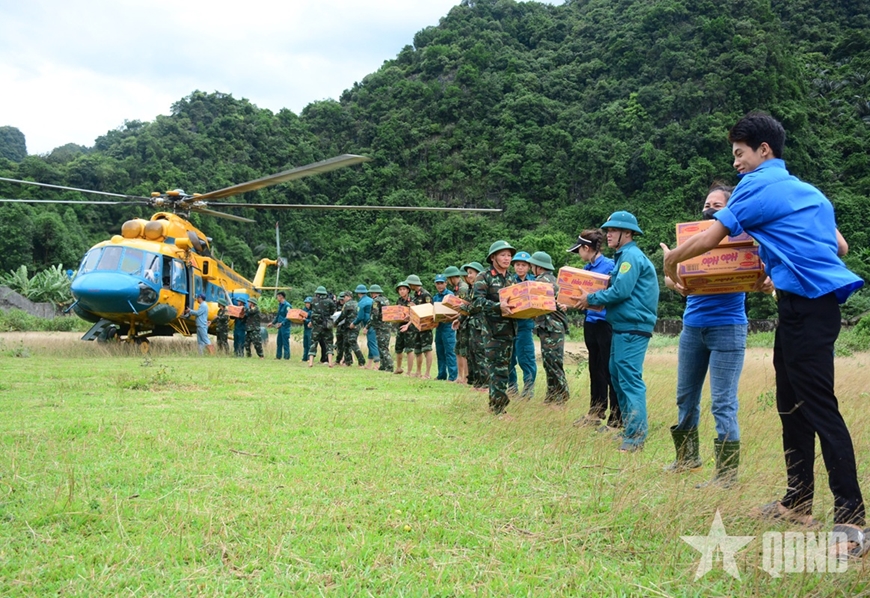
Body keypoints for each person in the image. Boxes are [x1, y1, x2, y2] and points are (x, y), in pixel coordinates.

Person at [663, 112, 866, 542]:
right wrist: (782, 258)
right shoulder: (808, 192)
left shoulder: (756, 186)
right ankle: (798, 501)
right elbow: (840, 246)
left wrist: (670, 260)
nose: (736, 163)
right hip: (807, 308)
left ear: (763, 151)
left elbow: (709, 238)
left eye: (740, 154)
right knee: (790, 404)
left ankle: (851, 519)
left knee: (819, 408)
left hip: (805, 308)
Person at [661, 184, 770, 486]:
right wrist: (676, 283)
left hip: (728, 327)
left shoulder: (745, 240)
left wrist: (763, 280)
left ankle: (726, 475)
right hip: (693, 326)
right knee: (685, 396)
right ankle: (686, 457)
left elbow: (760, 274)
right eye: (707, 203)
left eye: (717, 203)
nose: (710, 207)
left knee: (723, 402)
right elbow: (674, 278)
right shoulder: (692, 241)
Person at [574, 212, 659, 452]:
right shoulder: (622, 257)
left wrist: (589, 298)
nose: (608, 234)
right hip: (621, 325)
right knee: (616, 375)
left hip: (633, 326)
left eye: (613, 230)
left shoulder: (630, 257)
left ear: (628, 233)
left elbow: (620, 291)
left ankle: (636, 437)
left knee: (629, 379)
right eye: (608, 230)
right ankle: (625, 427)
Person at [567, 230, 621, 429]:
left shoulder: (610, 267)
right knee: (595, 368)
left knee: (609, 369)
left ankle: (616, 417)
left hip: (606, 323)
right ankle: (595, 410)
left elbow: (614, 293)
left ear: (586, 248)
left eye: (579, 250)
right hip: (590, 322)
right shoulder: (585, 269)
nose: (579, 254)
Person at [471, 241, 518, 415]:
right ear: (493, 257)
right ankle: (498, 410)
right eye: (503, 255)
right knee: (497, 371)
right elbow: (476, 302)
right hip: (492, 332)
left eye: (509, 255)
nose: (507, 258)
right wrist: (498, 306)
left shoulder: (511, 278)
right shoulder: (484, 277)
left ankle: (497, 407)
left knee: (504, 370)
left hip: (510, 331)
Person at [527, 252, 570, 404]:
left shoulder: (541, 281)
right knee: (551, 362)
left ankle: (561, 396)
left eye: (532, 266)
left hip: (551, 327)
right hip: (554, 328)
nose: (531, 268)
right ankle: (552, 397)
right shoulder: (554, 280)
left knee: (552, 363)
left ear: (538, 267)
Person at [507, 251, 537, 399]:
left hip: (525, 326)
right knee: (509, 359)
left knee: (527, 358)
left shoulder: (533, 282)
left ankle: (528, 391)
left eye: (524, 265)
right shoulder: (509, 281)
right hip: (509, 326)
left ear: (529, 267)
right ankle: (512, 388)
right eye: (518, 265)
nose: (520, 268)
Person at [401, 274, 434, 379]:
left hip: (425, 326)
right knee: (418, 350)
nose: (409, 286)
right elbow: (414, 311)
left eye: (410, 284)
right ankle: (418, 372)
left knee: (427, 349)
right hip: (416, 326)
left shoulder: (426, 295)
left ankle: (427, 373)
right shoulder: (415, 295)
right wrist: (408, 321)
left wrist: (417, 308)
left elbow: (430, 309)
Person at [463, 262, 488, 390]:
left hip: (480, 325)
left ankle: (485, 383)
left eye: (471, 273)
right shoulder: (471, 289)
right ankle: (477, 382)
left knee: (480, 354)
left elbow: (477, 306)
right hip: (471, 325)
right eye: (468, 273)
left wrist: (462, 306)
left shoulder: (481, 287)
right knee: (471, 353)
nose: (469, 276)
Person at [445, 266, 469, 384]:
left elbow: (464, 307)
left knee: (464, 351)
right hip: (459, 321)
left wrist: (456, 317)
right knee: (458, 349)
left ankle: (465, 377)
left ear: (451, 278)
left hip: (465, 321)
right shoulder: (457, 288)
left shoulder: (463, 288)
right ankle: (460, 377)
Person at [433, 274, 458, 381]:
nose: (439, 285)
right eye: (437, 283)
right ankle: (441, 374)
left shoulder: (450, 295)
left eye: (441, 283)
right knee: (440, 350)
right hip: (439, 327)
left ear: (446, 283)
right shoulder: (435, 297)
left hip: (449, 326)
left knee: (450, 351)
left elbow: (454, 310)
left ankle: (453, 376)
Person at [366, 284, 393, 372]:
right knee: (383, 346)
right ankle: (383, 365)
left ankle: (389, 366)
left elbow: (375, 315)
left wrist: (368, 326)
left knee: (382, 347)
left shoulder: (376, 301)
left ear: (373, 293)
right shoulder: (385, 299)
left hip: (380, 326)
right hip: (387, 325)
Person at [351, 284, 379, 369]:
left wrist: (353, 323)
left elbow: (360, 317)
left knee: (372, 344)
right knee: (370, 343)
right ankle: (369, 364)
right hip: (375, 324)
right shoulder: (371, 300)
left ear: (358, 293)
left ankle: (377, 364)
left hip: (369, 325)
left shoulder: (361, 303)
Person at [308, 286, 336, 368]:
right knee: (329, 343)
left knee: (313, 343)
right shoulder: (330, 301)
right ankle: (330, 363)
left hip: (316, 326)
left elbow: (311, 309)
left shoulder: (313, 300)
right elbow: (333, 311)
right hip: (326, 325)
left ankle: (310, 362)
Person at [338, 291, 365, 367]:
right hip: (356, 325)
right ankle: (348, 361)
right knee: (346, 343)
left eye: (345, 297)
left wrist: (335, 323)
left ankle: (361, 361)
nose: (344, 298)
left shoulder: (347, 304)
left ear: (348, 296)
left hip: (350, 326)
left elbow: (342, 315)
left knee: (352, 342)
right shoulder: (357, 303)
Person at [393, 281, 413, 375]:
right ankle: (398, 368)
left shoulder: (412, 300)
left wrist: (408, 324)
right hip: (400, 325)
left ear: (408, 290)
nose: (402, 291)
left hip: (410, 326)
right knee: (398, 347)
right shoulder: (399, 300)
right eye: (400, 289)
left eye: (404, 289)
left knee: (409, 348)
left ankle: (409, 371)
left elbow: (415, 314)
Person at [268, 291, 291, 360]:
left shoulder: (287, 305)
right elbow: (278, 316)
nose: (277, 298)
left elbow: (289, 316)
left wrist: (282, 323)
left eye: (278, 297)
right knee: (279, 342)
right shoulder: (280, 305)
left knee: (285, 342)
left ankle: (286, 357)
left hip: (285, 327)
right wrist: (272, 323)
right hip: (280, 327)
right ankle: (278, 356)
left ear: (281, 297)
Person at [301, 297, 313, 361]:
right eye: (306, 303)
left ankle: (309, 358)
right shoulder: (304, 310)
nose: (307, 304)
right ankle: (304, 358)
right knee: (305, 344)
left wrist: (306, 320)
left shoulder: (313, 311)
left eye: (308, 303)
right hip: (305, 328)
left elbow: (313, 320)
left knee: (309, 344)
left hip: (310, 329)